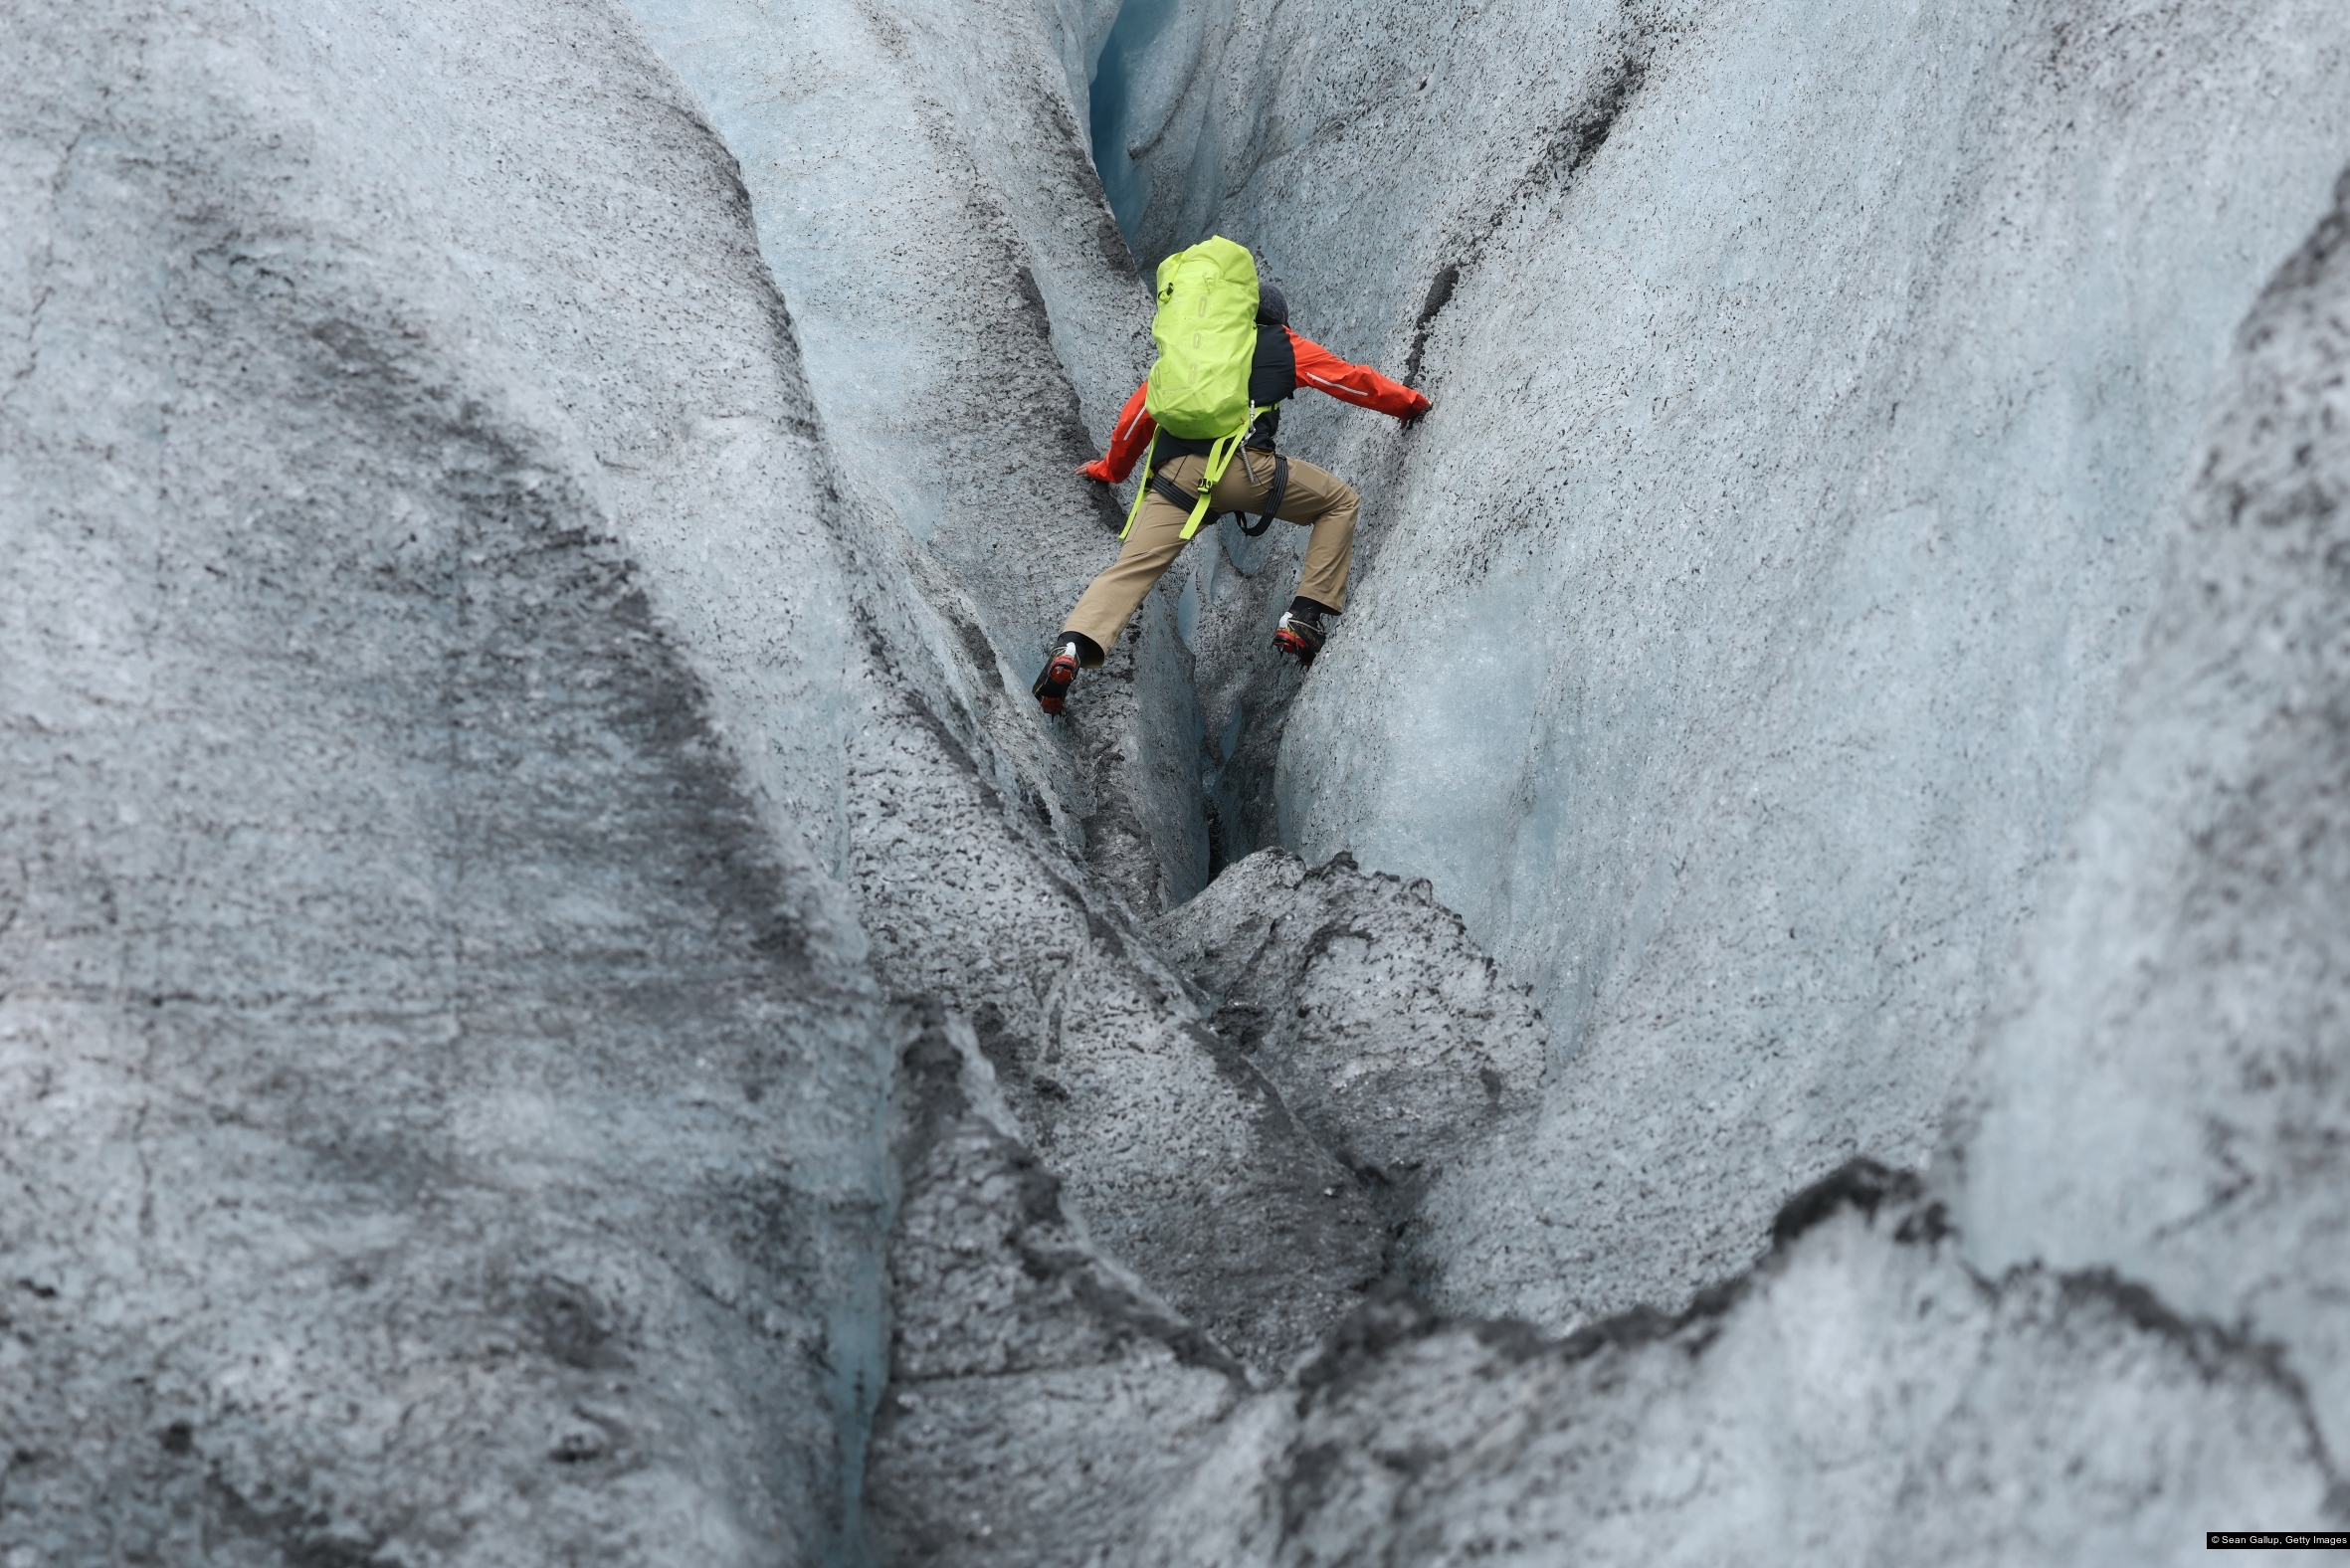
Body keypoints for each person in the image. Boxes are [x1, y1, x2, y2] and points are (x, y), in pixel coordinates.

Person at [1033, 282, 1431, 713]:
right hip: (1245, 471)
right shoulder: (1283, 343)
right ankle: (1305, 616)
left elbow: (1137, 419)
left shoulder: (1192, 349)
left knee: (1129, 570)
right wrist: (1410, 404)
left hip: (1175, 479)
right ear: (1279, 318)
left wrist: (1110, 469)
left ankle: (1070, 648)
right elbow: (1353, 382)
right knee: (1338, 503)